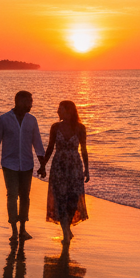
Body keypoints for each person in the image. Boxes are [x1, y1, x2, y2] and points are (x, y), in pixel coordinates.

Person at [0, 90, 45, 244]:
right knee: (12, 195)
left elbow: (37, 143)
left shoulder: (32, 120)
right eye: (28, 101)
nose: (31, 104)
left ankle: (23, 229)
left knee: (25, 196)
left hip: (27, 164)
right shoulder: (4, 120)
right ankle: (13, 229)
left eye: (31, 101)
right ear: (19, 101)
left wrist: (43, 164)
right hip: (9, 164)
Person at [39, 100, 89, 244]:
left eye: (60, 109)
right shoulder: (55, 127)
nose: (57, 112)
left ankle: (67, 229)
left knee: (73, 199)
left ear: (68, 111)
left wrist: (87, 169)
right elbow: (50, 148)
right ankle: (66, 232)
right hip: (59, 166)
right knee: (60, 199)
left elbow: (84, 150)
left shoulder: (80, 128)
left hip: (75, 167)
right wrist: (43, 165)